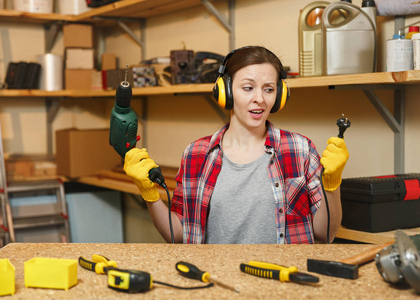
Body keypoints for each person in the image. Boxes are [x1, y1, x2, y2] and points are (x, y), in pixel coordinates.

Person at [124, 46, 349, 244]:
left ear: (280, 95)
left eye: (269, 89)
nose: (259, 99)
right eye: (248, 88)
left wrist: (332, 186)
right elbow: (179, 235)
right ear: (226, 92)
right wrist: (149, 194)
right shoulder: (196, 154)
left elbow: (325, 234)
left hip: (282, 282)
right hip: (216, 281)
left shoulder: (299, 150)